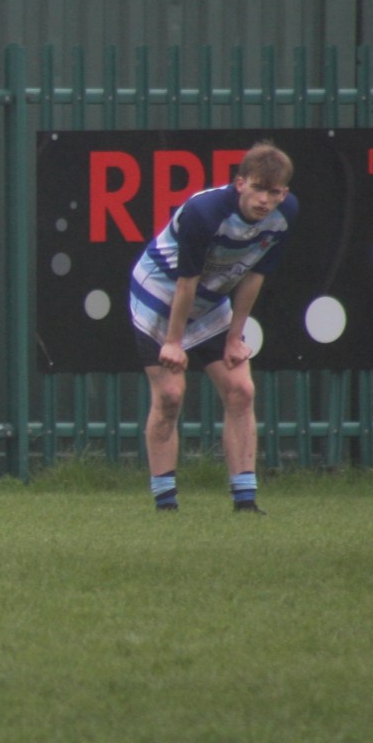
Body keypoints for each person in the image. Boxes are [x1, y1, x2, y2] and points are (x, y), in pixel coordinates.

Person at [129, 143, 296, 513]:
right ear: (240, 183)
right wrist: (174, 342)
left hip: (209, 297)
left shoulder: (285, 215)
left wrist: (235, 337)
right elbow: (185, 282)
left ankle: (245, 501)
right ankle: (166, 503)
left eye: (274, 192)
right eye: (258, 188)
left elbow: (254, 275)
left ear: (284, 193)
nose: (264, 200)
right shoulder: (204, 213)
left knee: (241, 390)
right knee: (171, 395)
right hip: (160, 293)